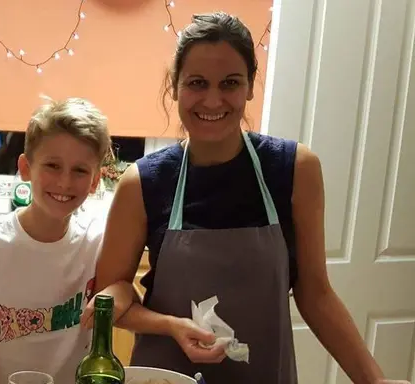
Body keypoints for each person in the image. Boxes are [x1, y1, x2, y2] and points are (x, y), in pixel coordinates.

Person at [85, 11, 408, 384]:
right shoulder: (142, 182)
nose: (212, 99)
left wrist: (374, 379)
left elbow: (315, 293)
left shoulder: (293, 169)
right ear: (175, 86)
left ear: (251, 86)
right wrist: (172, 326)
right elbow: (110, 304)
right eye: (197, 82)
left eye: (230, 83)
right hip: (168, 374)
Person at [0, 97, 112, 384]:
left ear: (94, 181)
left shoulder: (96, 242)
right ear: (26, 168)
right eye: (52, 165)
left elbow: (124, 295)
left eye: (80, 170)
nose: (65, 182)